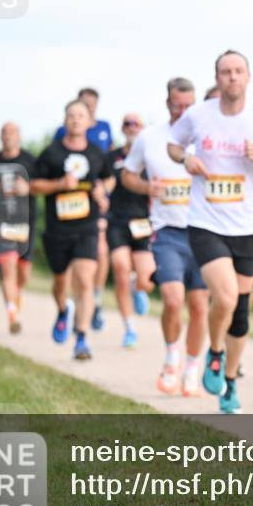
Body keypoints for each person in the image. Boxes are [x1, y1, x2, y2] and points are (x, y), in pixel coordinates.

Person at [168, 50, 253, 413]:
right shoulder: (198, 115)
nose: (232, 77)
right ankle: (215, 351)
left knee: (241, 313)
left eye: (238, 71)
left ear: (248, 78)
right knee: (227, 295)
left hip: (247, 226)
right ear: (217, 79)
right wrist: (186, 158)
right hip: (206, 223)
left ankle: (230, 380)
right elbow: (174, 145)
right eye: (225, 72)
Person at [122, 77, 210, 395]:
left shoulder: (207, 136)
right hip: (166, 230)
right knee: (173, 300)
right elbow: (128, 175)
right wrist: (148, 187)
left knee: (199, 305)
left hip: (204, 231)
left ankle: (191, 367)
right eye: (178, 105)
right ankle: (171, 357)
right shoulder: (150, 137)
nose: (184, 111)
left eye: (189, 106)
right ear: (167, 103)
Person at [32, 100, 112, 360]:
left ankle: (81, 338)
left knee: (84, 280)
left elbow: (109, 178)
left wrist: (103, 190)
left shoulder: (98, 154)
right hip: (58, 229)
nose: (76, 120)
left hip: (87, 227)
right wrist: (58, 184)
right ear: (65, 121)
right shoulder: (51, 153)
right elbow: (34, 186)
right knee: (60, 282)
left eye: (81, 115)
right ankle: (62, 311)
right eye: (71, 115)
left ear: (90, 122)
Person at [54, 87, 113, 331]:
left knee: (99, 253)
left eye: (91, 106)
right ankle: (64, 307)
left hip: (93, 211)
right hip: (63, 215)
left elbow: (108, 172)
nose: (87, 109)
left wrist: (103, 190)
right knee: (64, 273)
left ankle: (92, 306)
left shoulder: (104, 130)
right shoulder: (60, 134)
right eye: (83, 105)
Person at [0, 122, 37, 333]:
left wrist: (28, 187)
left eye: (11, 133)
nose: (7, 136)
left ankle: (17, 293)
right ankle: (12, 315)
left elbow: (43, 185)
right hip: (1, 222)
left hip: (26, 222)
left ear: (19, 136)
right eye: (3, 133)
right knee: (8, 267)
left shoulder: (30, 160)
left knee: (23, 273)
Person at [106, 112, 155, 348]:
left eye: (136, 123)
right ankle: (129, 328)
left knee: (148, 278)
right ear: (122, 128)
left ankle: (139, 288)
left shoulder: (151, 156)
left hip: (143, 221)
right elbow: (102, 181)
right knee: (120, 268)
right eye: (127, 123)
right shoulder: (112, 157)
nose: (132, 127)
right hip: (117, 220)